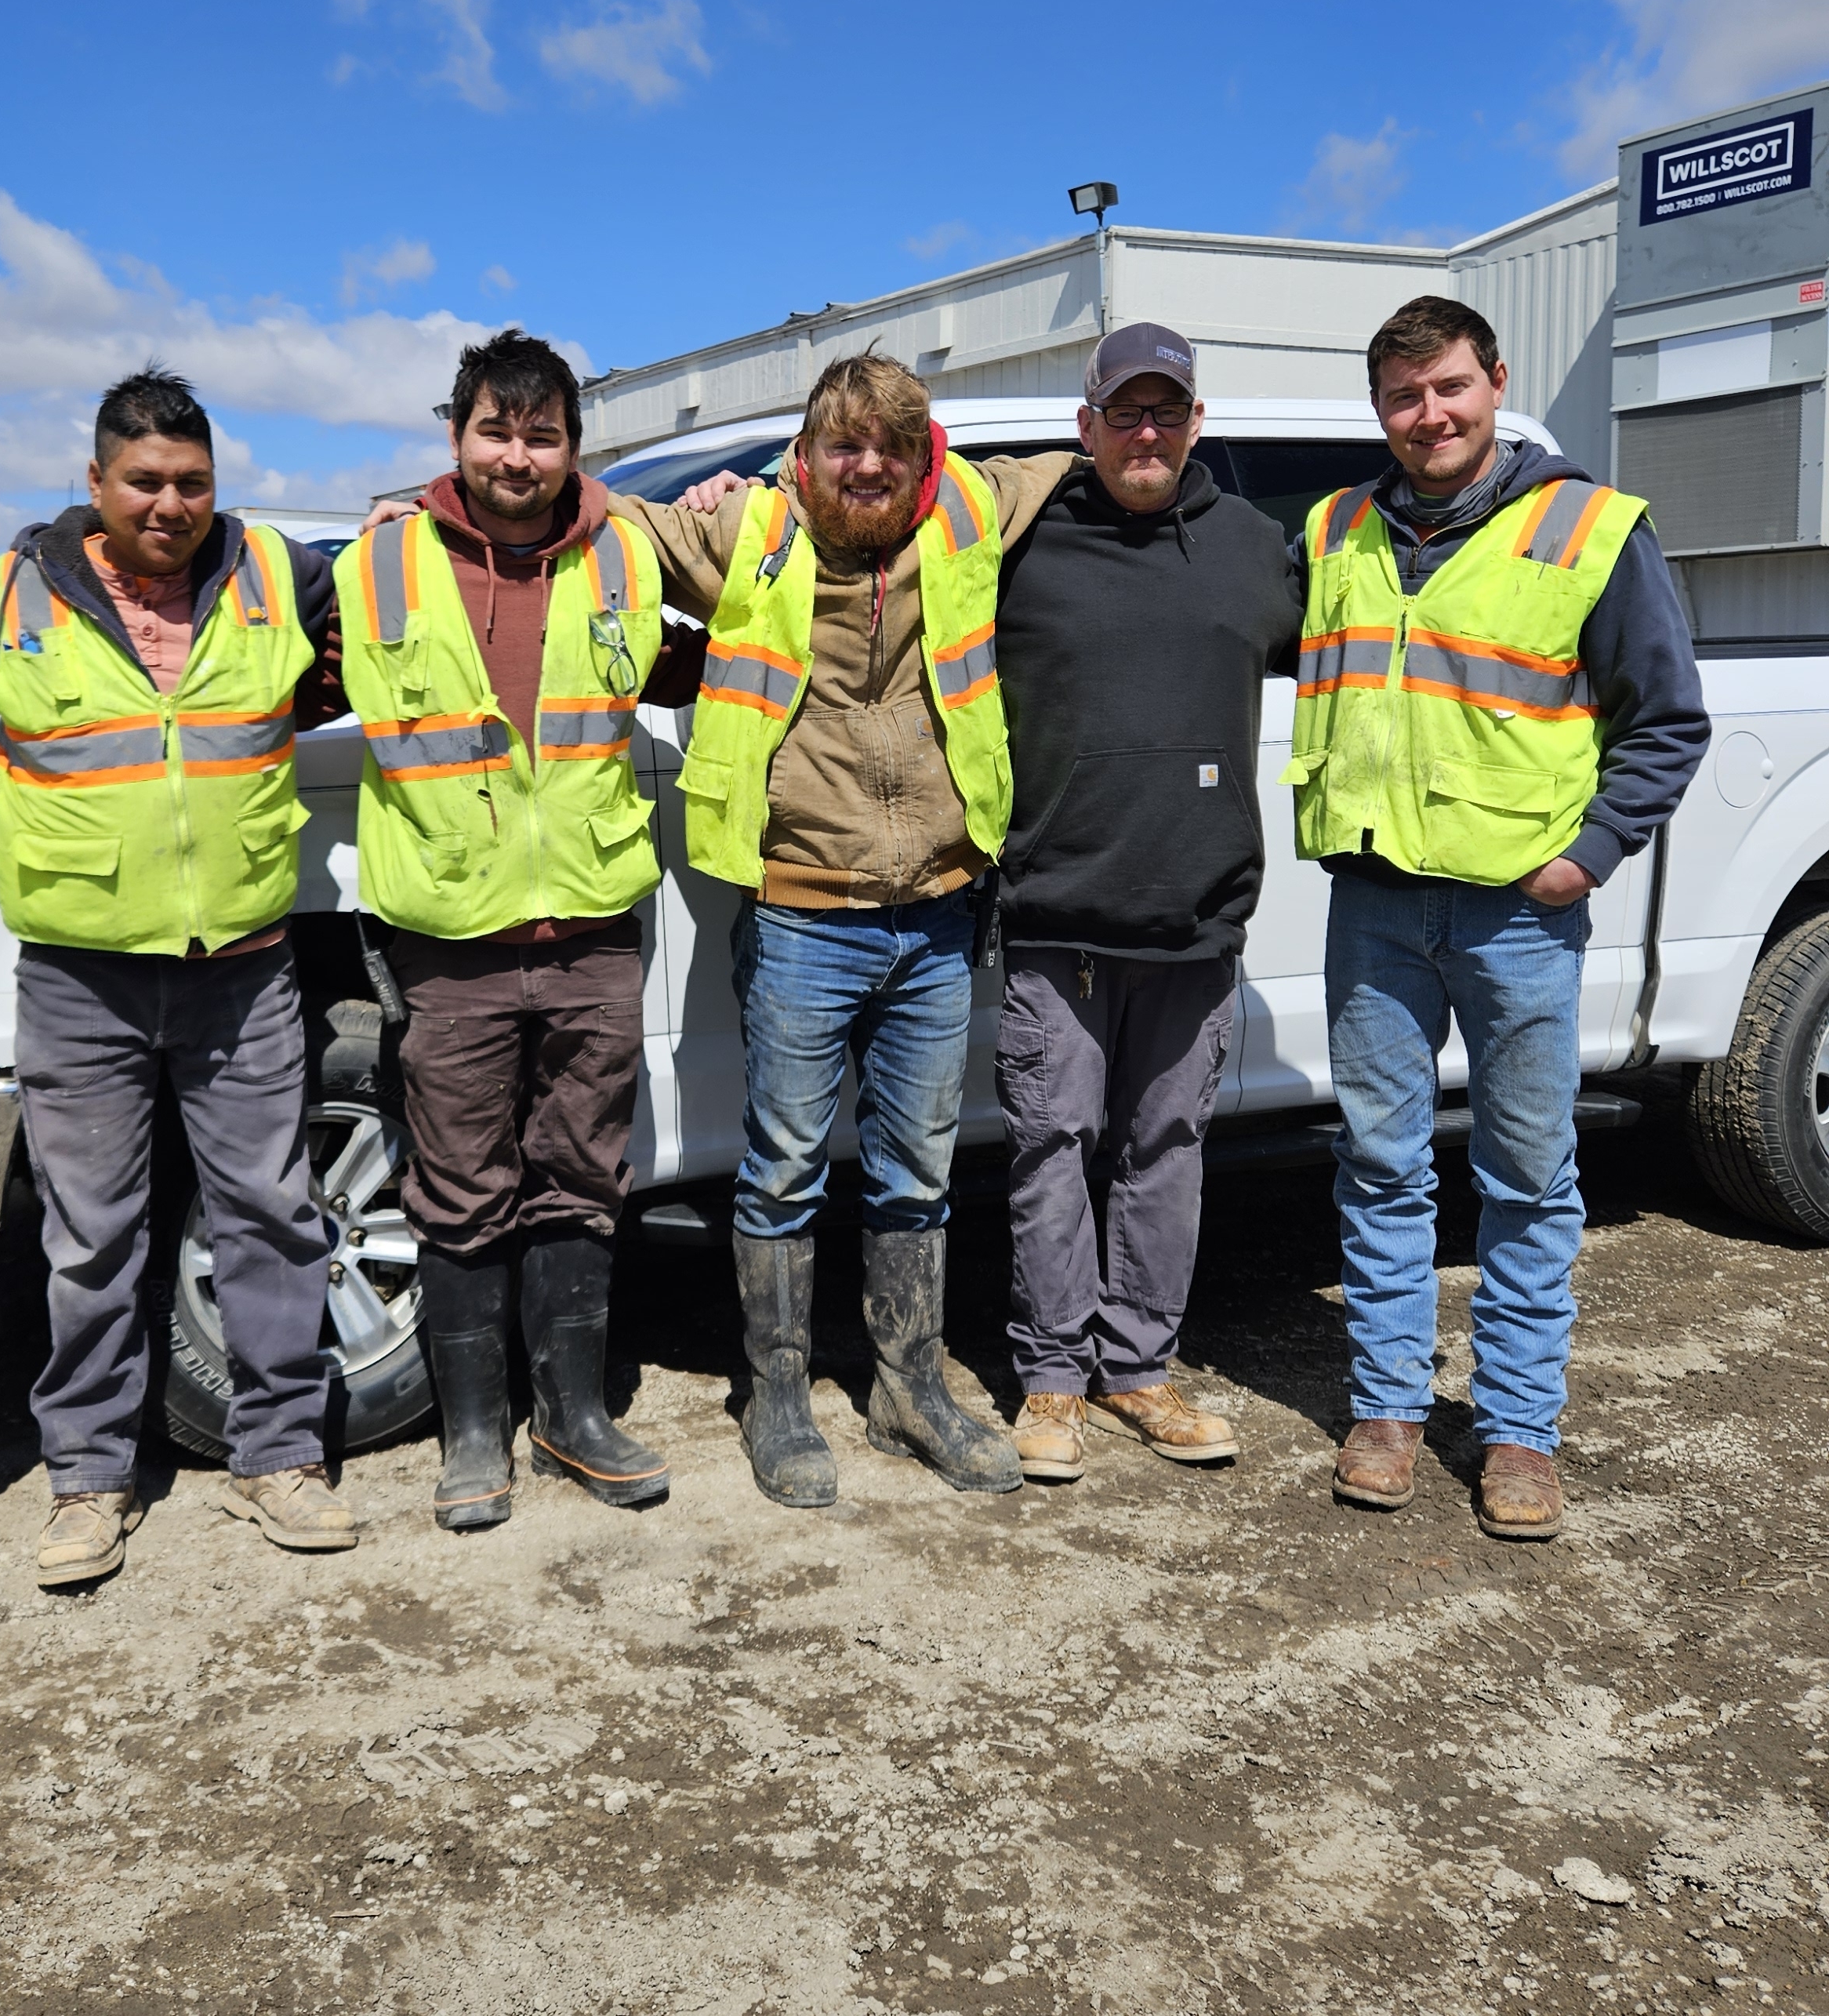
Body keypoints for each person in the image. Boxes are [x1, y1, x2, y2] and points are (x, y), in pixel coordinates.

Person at [0, 368, 353, 1582]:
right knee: (89, 1236)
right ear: (96, 481)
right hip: (81, 977)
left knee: (273, 1214)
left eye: (193, 483)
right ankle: (89, 1480)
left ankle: (281, 1456)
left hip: (245, 966)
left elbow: (381, 627)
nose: (170, 505)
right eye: (145, 482)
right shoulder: (1, 599)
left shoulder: (282, 578)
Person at [628, 352, 1077, 1506]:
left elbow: (1101, 456)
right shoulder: (752, 531)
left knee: (916, 1173)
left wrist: (1141, 444)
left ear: (923, 455)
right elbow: (598, 515)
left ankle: (909, 1389)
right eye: (845, 446)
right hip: (801, 916)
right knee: (780, 1173)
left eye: (893, 445)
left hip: (937, 913)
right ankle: (774, 1395)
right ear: (807, 455)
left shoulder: (972, 503)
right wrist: (425, 504)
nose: (869, 465)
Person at [1300, 296, 1708, 1536]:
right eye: (1403, 398)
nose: (1428, 416)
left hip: (1517, 917)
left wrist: (1586, 858)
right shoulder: (1333, 526)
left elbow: (1667, 719)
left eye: (1450, 390)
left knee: (1528, 1175)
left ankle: (1521, 1430)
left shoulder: (1590, 527)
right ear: (1380, 411)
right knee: (1380, 1166)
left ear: (1495, 385)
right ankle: (1388, 1410)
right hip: (1372, 901)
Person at [335, 331, 697, 1530]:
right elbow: (241, 609)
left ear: (573, 447)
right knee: (458, 1182)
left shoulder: (627, 554)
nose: (517, 456)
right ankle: (475, 1429)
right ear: (456, 435)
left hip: (592, 921)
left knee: (584, 1173)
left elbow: (751, 591)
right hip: (453, 932)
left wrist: (743, 490)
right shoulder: (378, 561)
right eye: (496, 430)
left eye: (542, 435)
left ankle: (574, 1418)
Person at [992, 325, 1300, 1482]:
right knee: (1052, 1148)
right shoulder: (1022, 545)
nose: (1147, 432)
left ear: (1197, 423)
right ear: (1088, 427)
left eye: (1167, 411)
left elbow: (1376, 647)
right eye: (1125, 412)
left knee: (1166, 1149)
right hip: (1057, 914)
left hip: (1194, 913)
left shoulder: (1256, 548)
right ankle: (1053, 1382)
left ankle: (1140, 1371)